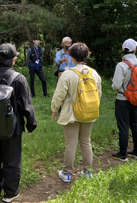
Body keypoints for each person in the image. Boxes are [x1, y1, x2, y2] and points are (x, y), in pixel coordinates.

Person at [0, 43, 37, 202]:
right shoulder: (19, 79)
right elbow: (26, 105)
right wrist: (30, 124)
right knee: (12, 160)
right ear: (14, 59)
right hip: (13, 128)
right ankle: (10, 193)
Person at [51, 42, 102, 182]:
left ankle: (67, 173)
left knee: (71, 143)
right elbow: (99, 94)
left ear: (72, 57)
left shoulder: (68, 74)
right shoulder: (94, 73)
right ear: (87, 55)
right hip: (89, 112)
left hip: (71, 113)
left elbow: (59, 95)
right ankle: (87, 172)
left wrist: (54, 109)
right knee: (86, 141)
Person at [111, 38, 137, 162]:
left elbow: (115, 85)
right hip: (136, 99)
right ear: (135, 50)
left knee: (123, 126)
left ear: (123, 50)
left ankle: (123, 154)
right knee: (135, 124)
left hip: (122, 99)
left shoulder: (121, 65)